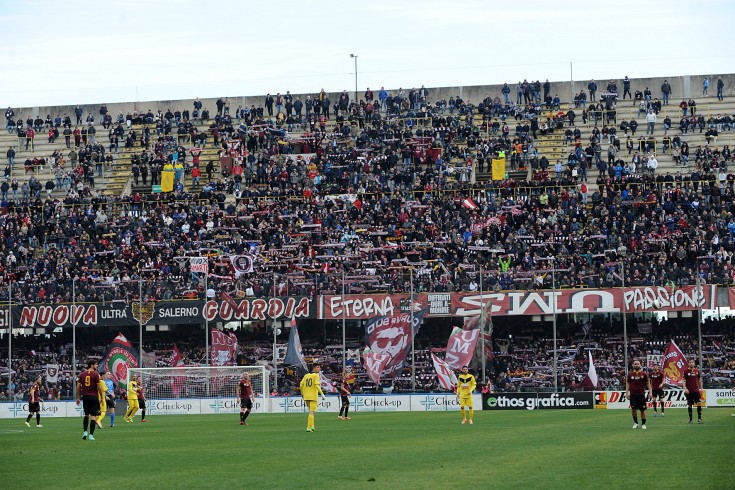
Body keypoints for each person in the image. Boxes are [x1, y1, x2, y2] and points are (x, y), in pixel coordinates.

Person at [76, 360, 103, 440]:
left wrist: (78, 397)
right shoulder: (96, 374)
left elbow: (78, 387)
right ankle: (91, 435)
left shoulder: (82, 374)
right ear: (91, 365)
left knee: (86, 415)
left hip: (85, 397)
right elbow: (99, 387)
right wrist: (101, 397)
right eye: (96, 364)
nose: (97, 366)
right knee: (93, 417)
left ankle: (85, 432)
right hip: (94, 397)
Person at [625, 360, 651, 430]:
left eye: (638, 364)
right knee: (633, 409)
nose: (637, 365)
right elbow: (628, 384)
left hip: (641, 394)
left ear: (640, 365)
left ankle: (643, 424)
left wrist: (650, 392)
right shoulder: (630, 374)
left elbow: (648, 383)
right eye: (635, 364)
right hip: (633, 395)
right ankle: (636, 423)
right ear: (633, 365)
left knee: (642, 410)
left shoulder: (644, 374)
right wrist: (627, 393)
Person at [300, 363, 326, 432]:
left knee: (311, 412)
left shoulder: (306, 375)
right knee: (311, 412)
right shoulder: (316, 375)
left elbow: (301, 385)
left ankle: (312, 426)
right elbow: (317, 385)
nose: (319, 369)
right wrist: (322, 394)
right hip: (313, 396)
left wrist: (302, 393)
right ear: (314, 368)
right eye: (318, 367)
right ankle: (308, 427)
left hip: (306, 396)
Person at [682, 359, 703, 424]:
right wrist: (685, 388)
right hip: (689, 391)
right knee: (689, 405)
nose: (691, 363)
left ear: (694, 363)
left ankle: (699, 419)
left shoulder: (697, 371)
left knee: (699, 403)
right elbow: (683, 381)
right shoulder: (685, 371)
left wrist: (701, 387)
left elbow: (699, 379)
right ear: (688, 364)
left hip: (696, 390)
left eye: (692, 362)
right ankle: (690, 420)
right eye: (690, 362)